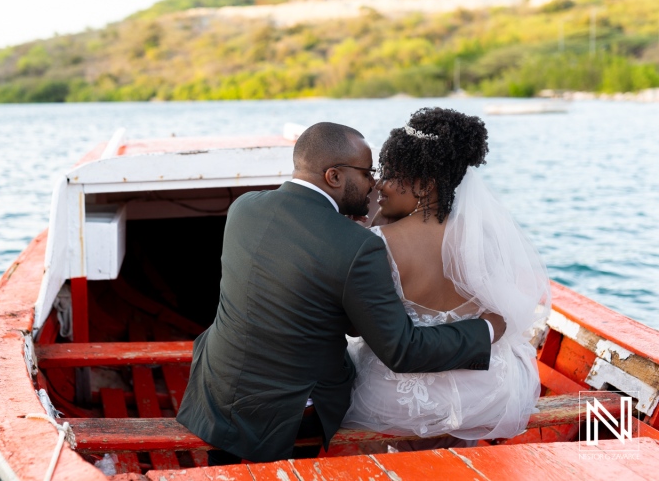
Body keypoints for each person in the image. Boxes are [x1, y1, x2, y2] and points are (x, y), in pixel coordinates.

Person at [176, 122, 506, 465]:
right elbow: (403, 352)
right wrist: (486, 329)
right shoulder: (356, 246)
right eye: (367, 172)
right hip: (285, 414)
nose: (374, 183)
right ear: (334, 176)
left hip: (214, 388)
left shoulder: (244, 208)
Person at [341, 108, 551, 445]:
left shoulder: (377, 244)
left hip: (398, 400)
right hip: (485, 392)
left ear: (424, 186)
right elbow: (507, 314)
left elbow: (354, 326)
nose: (380, 183)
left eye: (392, 174)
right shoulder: (484, 236)